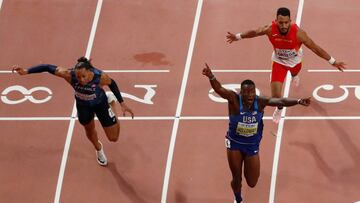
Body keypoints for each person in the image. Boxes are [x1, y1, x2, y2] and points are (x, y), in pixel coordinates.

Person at [202, 63, 310, 203]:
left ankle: (242, 185)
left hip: (252, 145)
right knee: (237, 178)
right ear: (241, 92)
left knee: (252, 182)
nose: (250, 95)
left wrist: (299, 101)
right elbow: (219, 89)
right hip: (234, 143)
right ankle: (238, 199)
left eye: (252, 92)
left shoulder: (260, 102)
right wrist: (211, 76)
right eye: (246, 92)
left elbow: (281, 100)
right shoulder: (234, 99)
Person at [226, 7, 345, 123]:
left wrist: (333, 62)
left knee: (294, 73)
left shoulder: (299, 34)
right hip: (279, 62)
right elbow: (255, 32)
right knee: (276, 97)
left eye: (286, 23)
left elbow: (315, 48)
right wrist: (237, 37)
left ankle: (294, 76)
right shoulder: (270, 29)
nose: (283, 26)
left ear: (290, 21)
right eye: (281, 22)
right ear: (276, 21)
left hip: (295, 61)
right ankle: (279, 109)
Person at [12, 57, 134, 166]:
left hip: (100, 104)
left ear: (89, 71)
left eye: (83, 76)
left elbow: (112, 84)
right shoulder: (69, 75)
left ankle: (111, 103)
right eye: (78, 76)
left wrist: (122, 103)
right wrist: (26, 71)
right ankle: (98, 149)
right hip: (83, 106)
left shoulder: (100, 77)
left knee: (113, 138)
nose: (80, 79)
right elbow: (47, 67)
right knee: (89, 130)